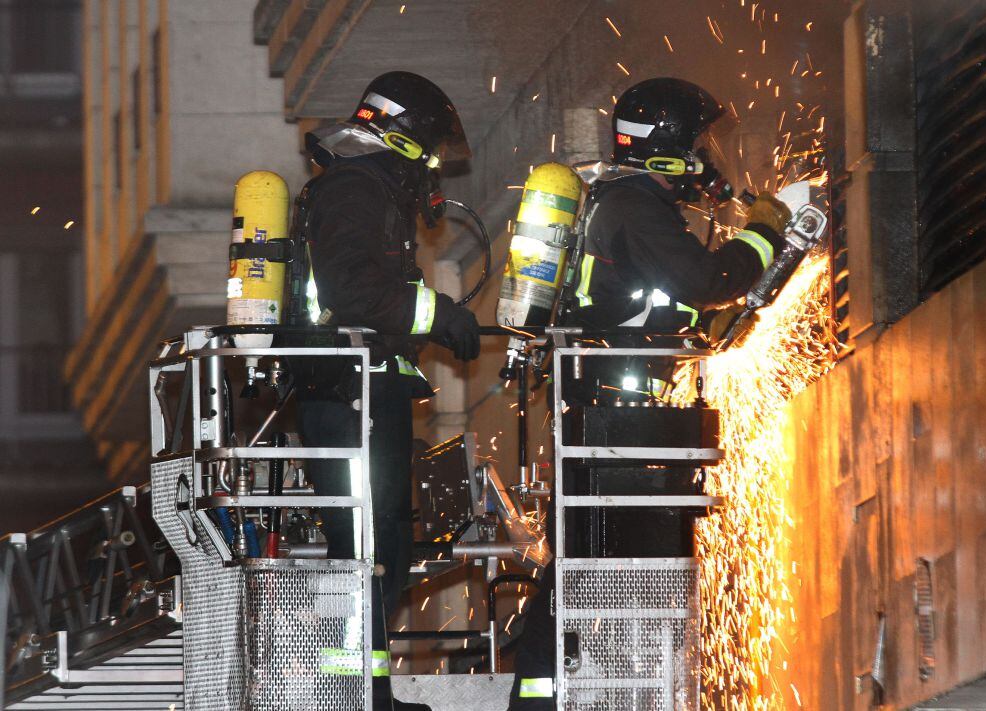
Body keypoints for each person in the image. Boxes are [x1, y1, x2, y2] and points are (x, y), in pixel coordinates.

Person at [507, 77, 792, 710]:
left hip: (603, 412)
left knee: (592, 564)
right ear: (669, 147)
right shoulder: (635, 208)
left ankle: (553, 696)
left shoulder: (617, 203)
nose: (705, 157)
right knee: (603, 563)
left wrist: (692, 326)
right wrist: (765, 232)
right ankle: (545, 701)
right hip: (613, 418)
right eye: (697, 142)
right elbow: (706, 277)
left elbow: (646, 302)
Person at [295, 70, 480, 711]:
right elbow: (353, 293)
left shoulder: (362, 187)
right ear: (402, 138)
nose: (432, 166)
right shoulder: (353, 188)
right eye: (428, 149)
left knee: (379, 551)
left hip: (360, 392)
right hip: (350, 397)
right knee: (367, 552)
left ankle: (363, 692)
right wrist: (440, 314)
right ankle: (356, 697)